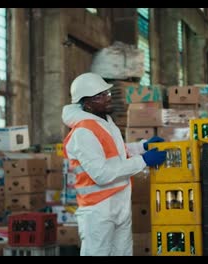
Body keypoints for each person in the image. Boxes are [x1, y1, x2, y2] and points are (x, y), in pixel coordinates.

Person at [62, 72, 167, 256]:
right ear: (86, 103)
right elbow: (101, 173)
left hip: (119, 203)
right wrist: (143, 160)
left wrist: (143, 146)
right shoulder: (83, 133)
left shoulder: (106, 122)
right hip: (98, 211)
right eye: (100, 96)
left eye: (107, 93)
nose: (108, 98)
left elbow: (117, 152)